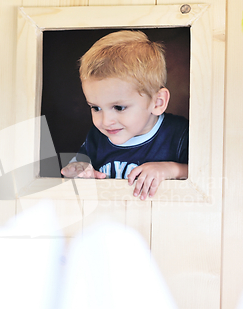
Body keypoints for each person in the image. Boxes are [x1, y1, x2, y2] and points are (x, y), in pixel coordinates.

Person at [61, 30, 188, 200]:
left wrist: (170, 169)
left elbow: (208, 173)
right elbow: (78, 167)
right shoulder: (97, 136)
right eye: (96, 108)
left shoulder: (179, 134)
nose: (105, 121)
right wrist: (78, 171)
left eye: (119, 107)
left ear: (157, 102)